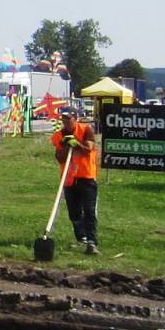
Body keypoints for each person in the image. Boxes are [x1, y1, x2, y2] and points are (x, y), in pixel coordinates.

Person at [51, 106, 100, 255]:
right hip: (69, 178)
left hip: (86, 176)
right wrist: (66, 146)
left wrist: (76, 144)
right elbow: (59, 157)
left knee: (89, 210)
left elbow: (88, 148)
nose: (65, 121)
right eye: (63, 118)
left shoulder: (85, 130)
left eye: (68, 118)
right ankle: (81, 238)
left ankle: (91, 242)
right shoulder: (59, 135)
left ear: (75, 118)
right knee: (74, 212)